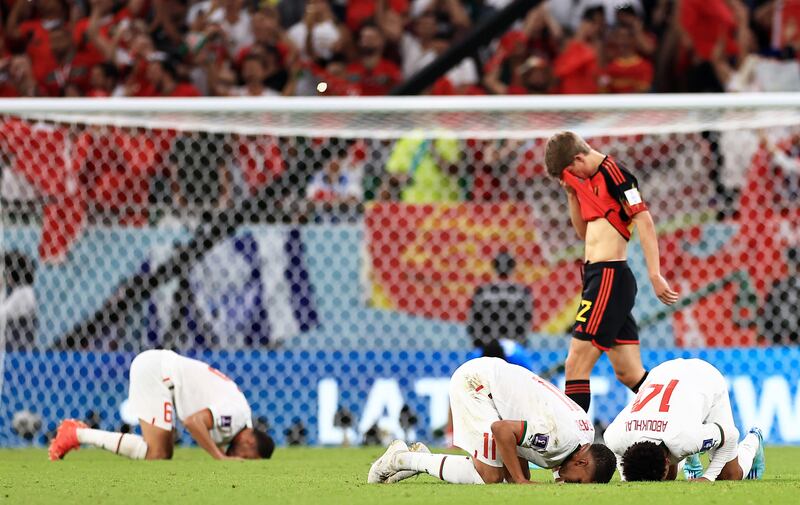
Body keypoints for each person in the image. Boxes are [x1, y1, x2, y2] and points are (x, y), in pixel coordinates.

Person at [544, 131, 678, 413]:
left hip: (609, 277)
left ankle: (574, 448)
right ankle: (680, 414)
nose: (573, 178)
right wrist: (571, 195)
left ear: (578, 158)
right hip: (598, 278)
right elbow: (585, 233)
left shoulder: (616, 174)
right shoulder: (589, 182)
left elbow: (644, 219)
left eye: (570, 173)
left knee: (575, 363)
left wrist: (655, 273)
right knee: (630, 373)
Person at [368, 357, 616, 485]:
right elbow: (502, 429)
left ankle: (421, 456)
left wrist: (521, 476)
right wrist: (521, 480)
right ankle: (401, 458)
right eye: (578, 482)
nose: (569, 484)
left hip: (497, 381)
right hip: (477, 385)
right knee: (492, 476)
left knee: (508, 473)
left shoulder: (583, 433)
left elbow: (529, 438)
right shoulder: (556, 439)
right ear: (582, 461)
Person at [49, 349, 274, 461]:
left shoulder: (238, 418)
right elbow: (194, 422)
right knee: (157, 453)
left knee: (162, 453)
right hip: (157, 373)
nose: (240, 460)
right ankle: (76, 434)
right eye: (246, 457)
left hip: (162, 372)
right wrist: (219, 457)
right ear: (248, 441)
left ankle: (77, 434)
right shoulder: (235, 416)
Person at [603, 358, 765, 482]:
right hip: (663, 372)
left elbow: (730, 435)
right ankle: (691, 455)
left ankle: (754, 440)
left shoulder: (684, 438)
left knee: (729, 475)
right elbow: (620, 456)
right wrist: (626, 478)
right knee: (668, 475)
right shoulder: (615, 438)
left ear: (667, 460)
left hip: (705, 377)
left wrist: (708, 477)